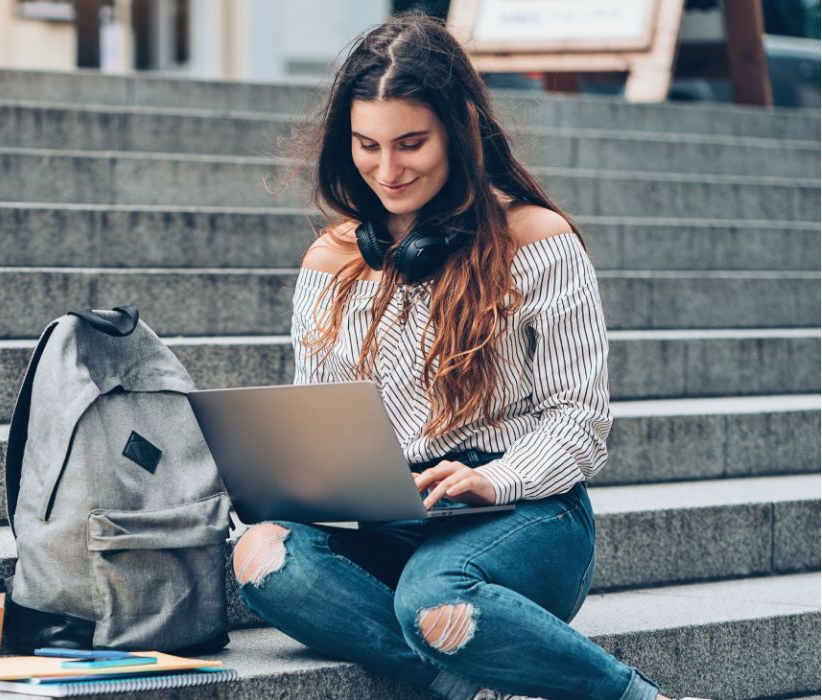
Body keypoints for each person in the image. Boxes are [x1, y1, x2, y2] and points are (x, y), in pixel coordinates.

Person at [231, 12, 708, 700]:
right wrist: (293, 477)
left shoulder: (539, 241)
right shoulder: (331, 260)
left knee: (433, 598)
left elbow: (580, 422)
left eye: (411, 144)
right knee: (263, 556)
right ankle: (473, 687)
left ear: (458, 131)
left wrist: (497, 480)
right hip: (389, 511)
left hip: (523, 513)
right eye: (367, 145)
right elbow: (322, 419)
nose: (386, 171)